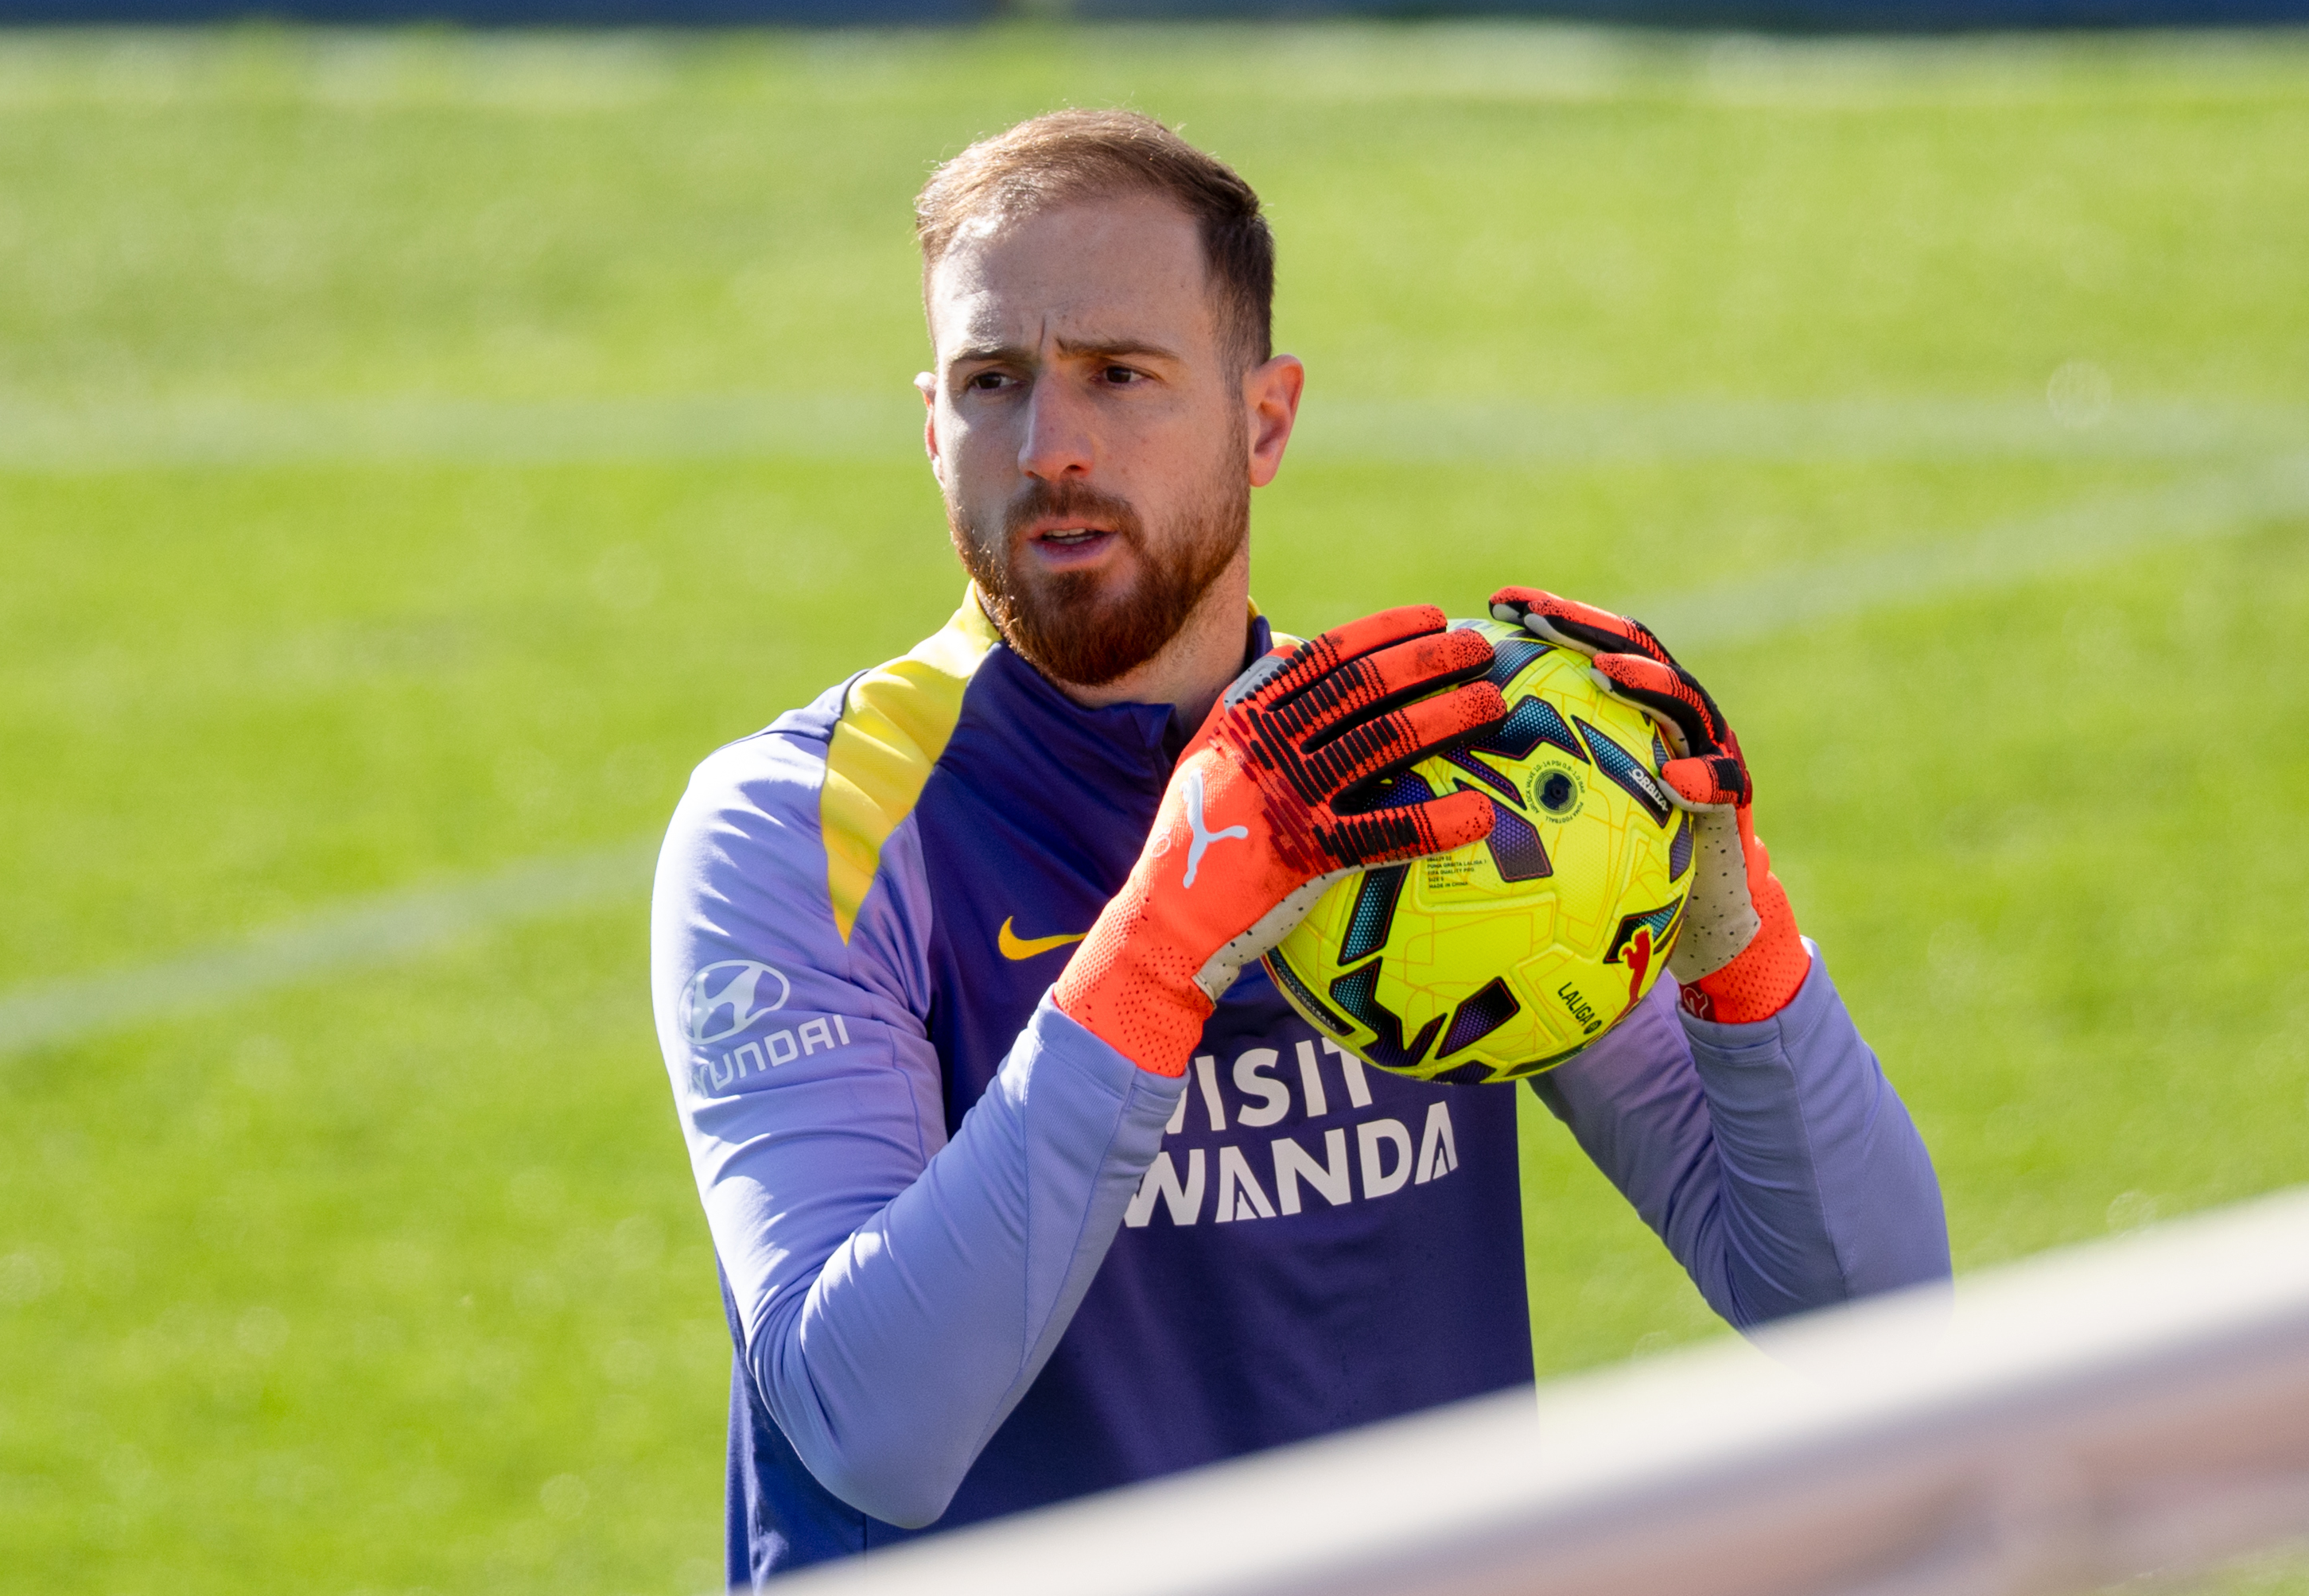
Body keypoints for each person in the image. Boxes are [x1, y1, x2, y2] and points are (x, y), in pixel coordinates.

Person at [649, 109, 1949, 1591]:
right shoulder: (798, 825)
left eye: (1120, 377)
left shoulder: (1438, 784)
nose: (1050, 447)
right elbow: (866, 1432)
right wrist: (1164, 941)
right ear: (931, 424)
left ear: (1264, 421)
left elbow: (1871, 1325)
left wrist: (1738, 933)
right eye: (992, 381)